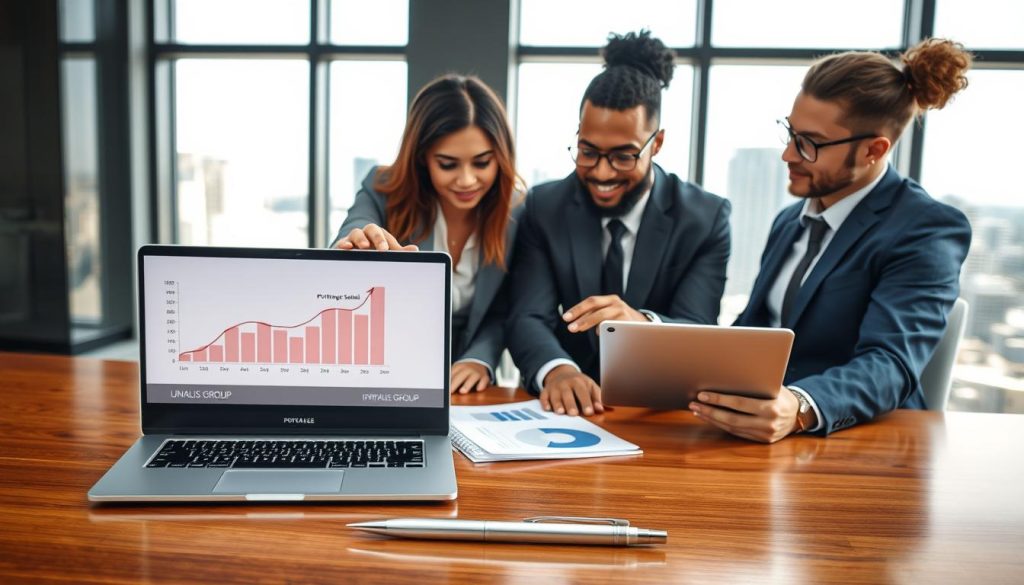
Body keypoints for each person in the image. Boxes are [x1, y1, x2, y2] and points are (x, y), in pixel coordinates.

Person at [690, 39, 973, 443]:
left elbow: (889, 364)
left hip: (864, 448)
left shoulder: (926, 229)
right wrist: (658, 336)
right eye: (790, 133)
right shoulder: (790, 221)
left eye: (809, 143)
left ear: (874, 150)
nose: (788, 154)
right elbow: (756, 331)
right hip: (762, 438)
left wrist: (801, 407)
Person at [506, 30, 732, 417]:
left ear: (656, 143)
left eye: (623, 156)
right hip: (562, 413)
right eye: (588, 151)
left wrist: (642, 323)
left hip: (661, 414)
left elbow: (697, 326)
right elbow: (527, 316)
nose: (602, 172)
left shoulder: (705, 218)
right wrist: (558, 371)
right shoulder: (545, 206)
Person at [331, 74, 523, 394]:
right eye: (448, 164)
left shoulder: (516, 209)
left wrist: (480, 359)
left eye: (482, 163)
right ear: (423, 157)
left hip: (468, 389)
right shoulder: (382, 188)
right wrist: (357, 241)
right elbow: (357, 224)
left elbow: (506, 306)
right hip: (388, 380)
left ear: (500, 158)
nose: (466, 180)